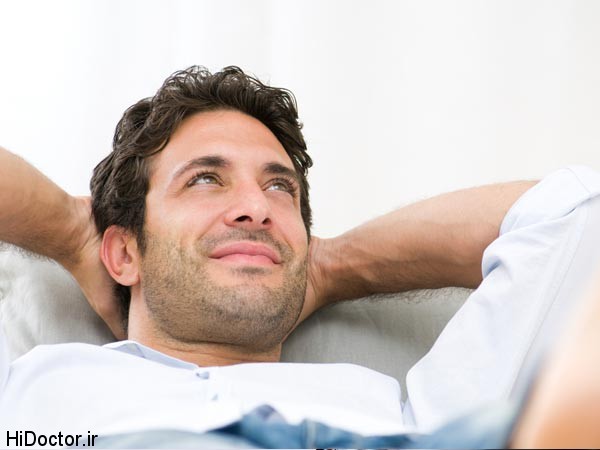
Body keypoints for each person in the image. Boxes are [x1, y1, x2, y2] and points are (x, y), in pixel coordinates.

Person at [0, 65, 598, 448]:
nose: (256, 208)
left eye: (279, 187)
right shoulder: (30, 393)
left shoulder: (406, 409)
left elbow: (576, 211)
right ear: (124, 252)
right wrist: (72, 232)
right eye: (206, 179)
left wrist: (331, 266)